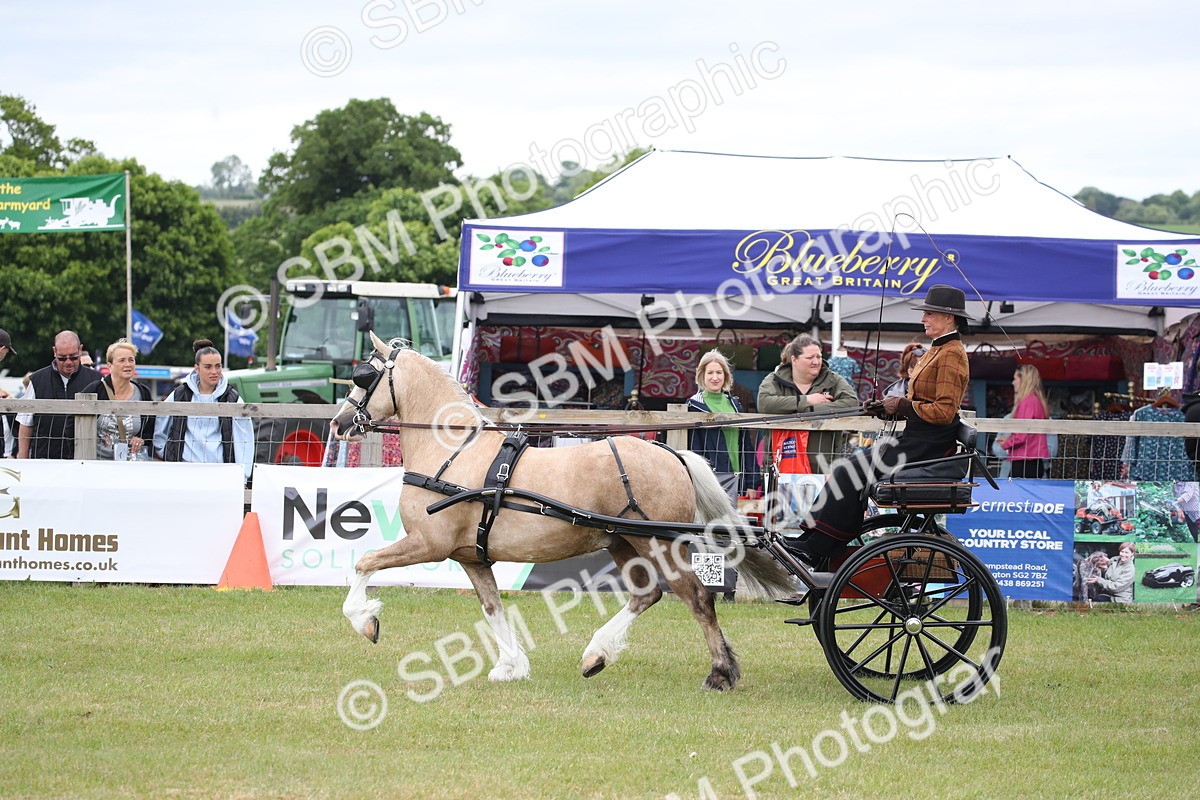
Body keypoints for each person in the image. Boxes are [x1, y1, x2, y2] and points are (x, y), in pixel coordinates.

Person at [781, 285, 975, 568]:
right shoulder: (939, 349)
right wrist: (886, 407)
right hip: (917, 438)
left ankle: (820, 546)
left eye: (929, 314)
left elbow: (944, 412)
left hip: (928, 445)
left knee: (849, 471)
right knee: (847, 468)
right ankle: (815, 539)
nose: (923, 319)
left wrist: (902, 405)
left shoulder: (952, 354)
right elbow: (921, 401)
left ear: (949, 317)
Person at [153, 339, 254, 483]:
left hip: (220, 475)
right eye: (208, 367)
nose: (214, 372)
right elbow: (160, 426)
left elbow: (244, 440)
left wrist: (243, 476)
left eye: (218, 366)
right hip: (183, 474)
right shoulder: (180, 394)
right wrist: (166, 452)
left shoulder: (233, 398)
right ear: (197, 368)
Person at [756, 333, 858, 474]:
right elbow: (764, 404)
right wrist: (807, 400)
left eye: (819, 357)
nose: (816, 362)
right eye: (810, 358)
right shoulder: (774, 379)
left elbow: (852, 403)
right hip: (780, 467)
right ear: (794, 359)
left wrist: (812, 409)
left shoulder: (833, 379)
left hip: (823, 468)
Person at [16, 330, 102, 459]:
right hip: (44, 459)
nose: (68, 362)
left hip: (84, 460)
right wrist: (23, 457)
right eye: (62, 358)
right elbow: (25, 422)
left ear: (80, 349)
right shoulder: (37, 379)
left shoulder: (96, 380)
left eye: (73, 357)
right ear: (54, 352)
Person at [687, 349, 757, 500]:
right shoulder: (693, 405)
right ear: (702, 375)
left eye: (719, 372)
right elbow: (693, 450)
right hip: (709, 480)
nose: (715, 377)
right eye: (710, 373)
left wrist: (751, 482)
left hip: (738, 479)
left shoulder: (735, 405)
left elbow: (747, 445)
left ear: (725, 375)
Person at [79, 340, 155, 460]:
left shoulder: (143, 393)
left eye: (131, 360)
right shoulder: (96, 389)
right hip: (97, 463)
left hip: (130, 464)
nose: (128, 364)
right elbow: (74, 421)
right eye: (122, 360)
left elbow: (151, 426)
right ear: (110, 365)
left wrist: (142, 439)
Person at [995, 363, 1051, 478]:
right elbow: (1028, 435)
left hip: (1024, 460)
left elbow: (1021, 435)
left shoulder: (1027, 402)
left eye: (1015, 378)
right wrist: (1009, 439)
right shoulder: (1036, 401)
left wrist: (1007, 443)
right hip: (1032, 458)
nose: (1013, 382)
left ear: (1023, 380)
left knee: (1018, 489)